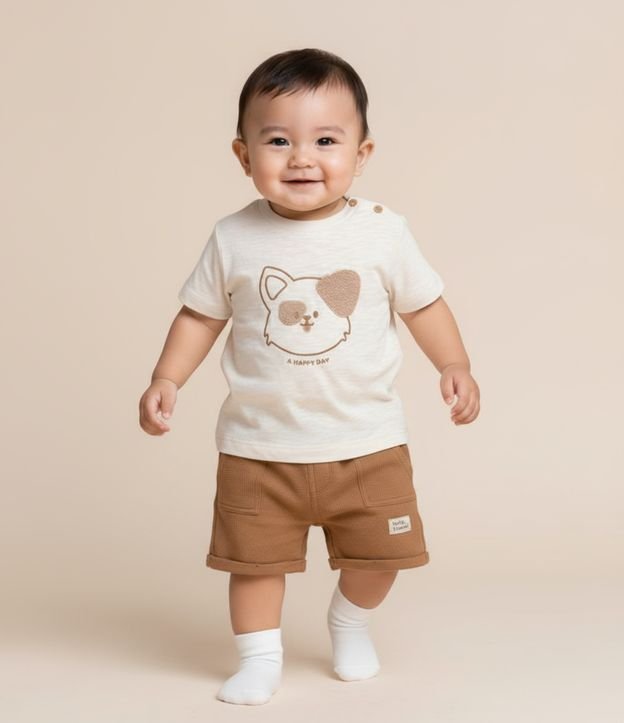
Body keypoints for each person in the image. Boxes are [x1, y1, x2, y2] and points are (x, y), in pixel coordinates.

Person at [139, 47, 480, 706]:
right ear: (243, 156)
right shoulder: (233, 237)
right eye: (278, 140)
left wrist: (454, 364)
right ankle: (259, 658)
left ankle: (349, 621)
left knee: (381, 557)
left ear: (362, 152)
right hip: (260, 447)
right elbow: (200, 316)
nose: (302, 157)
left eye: (326, 140)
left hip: (367, 442)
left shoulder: (383, 233)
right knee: (253, 563)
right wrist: (167, 377)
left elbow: (424, 304)